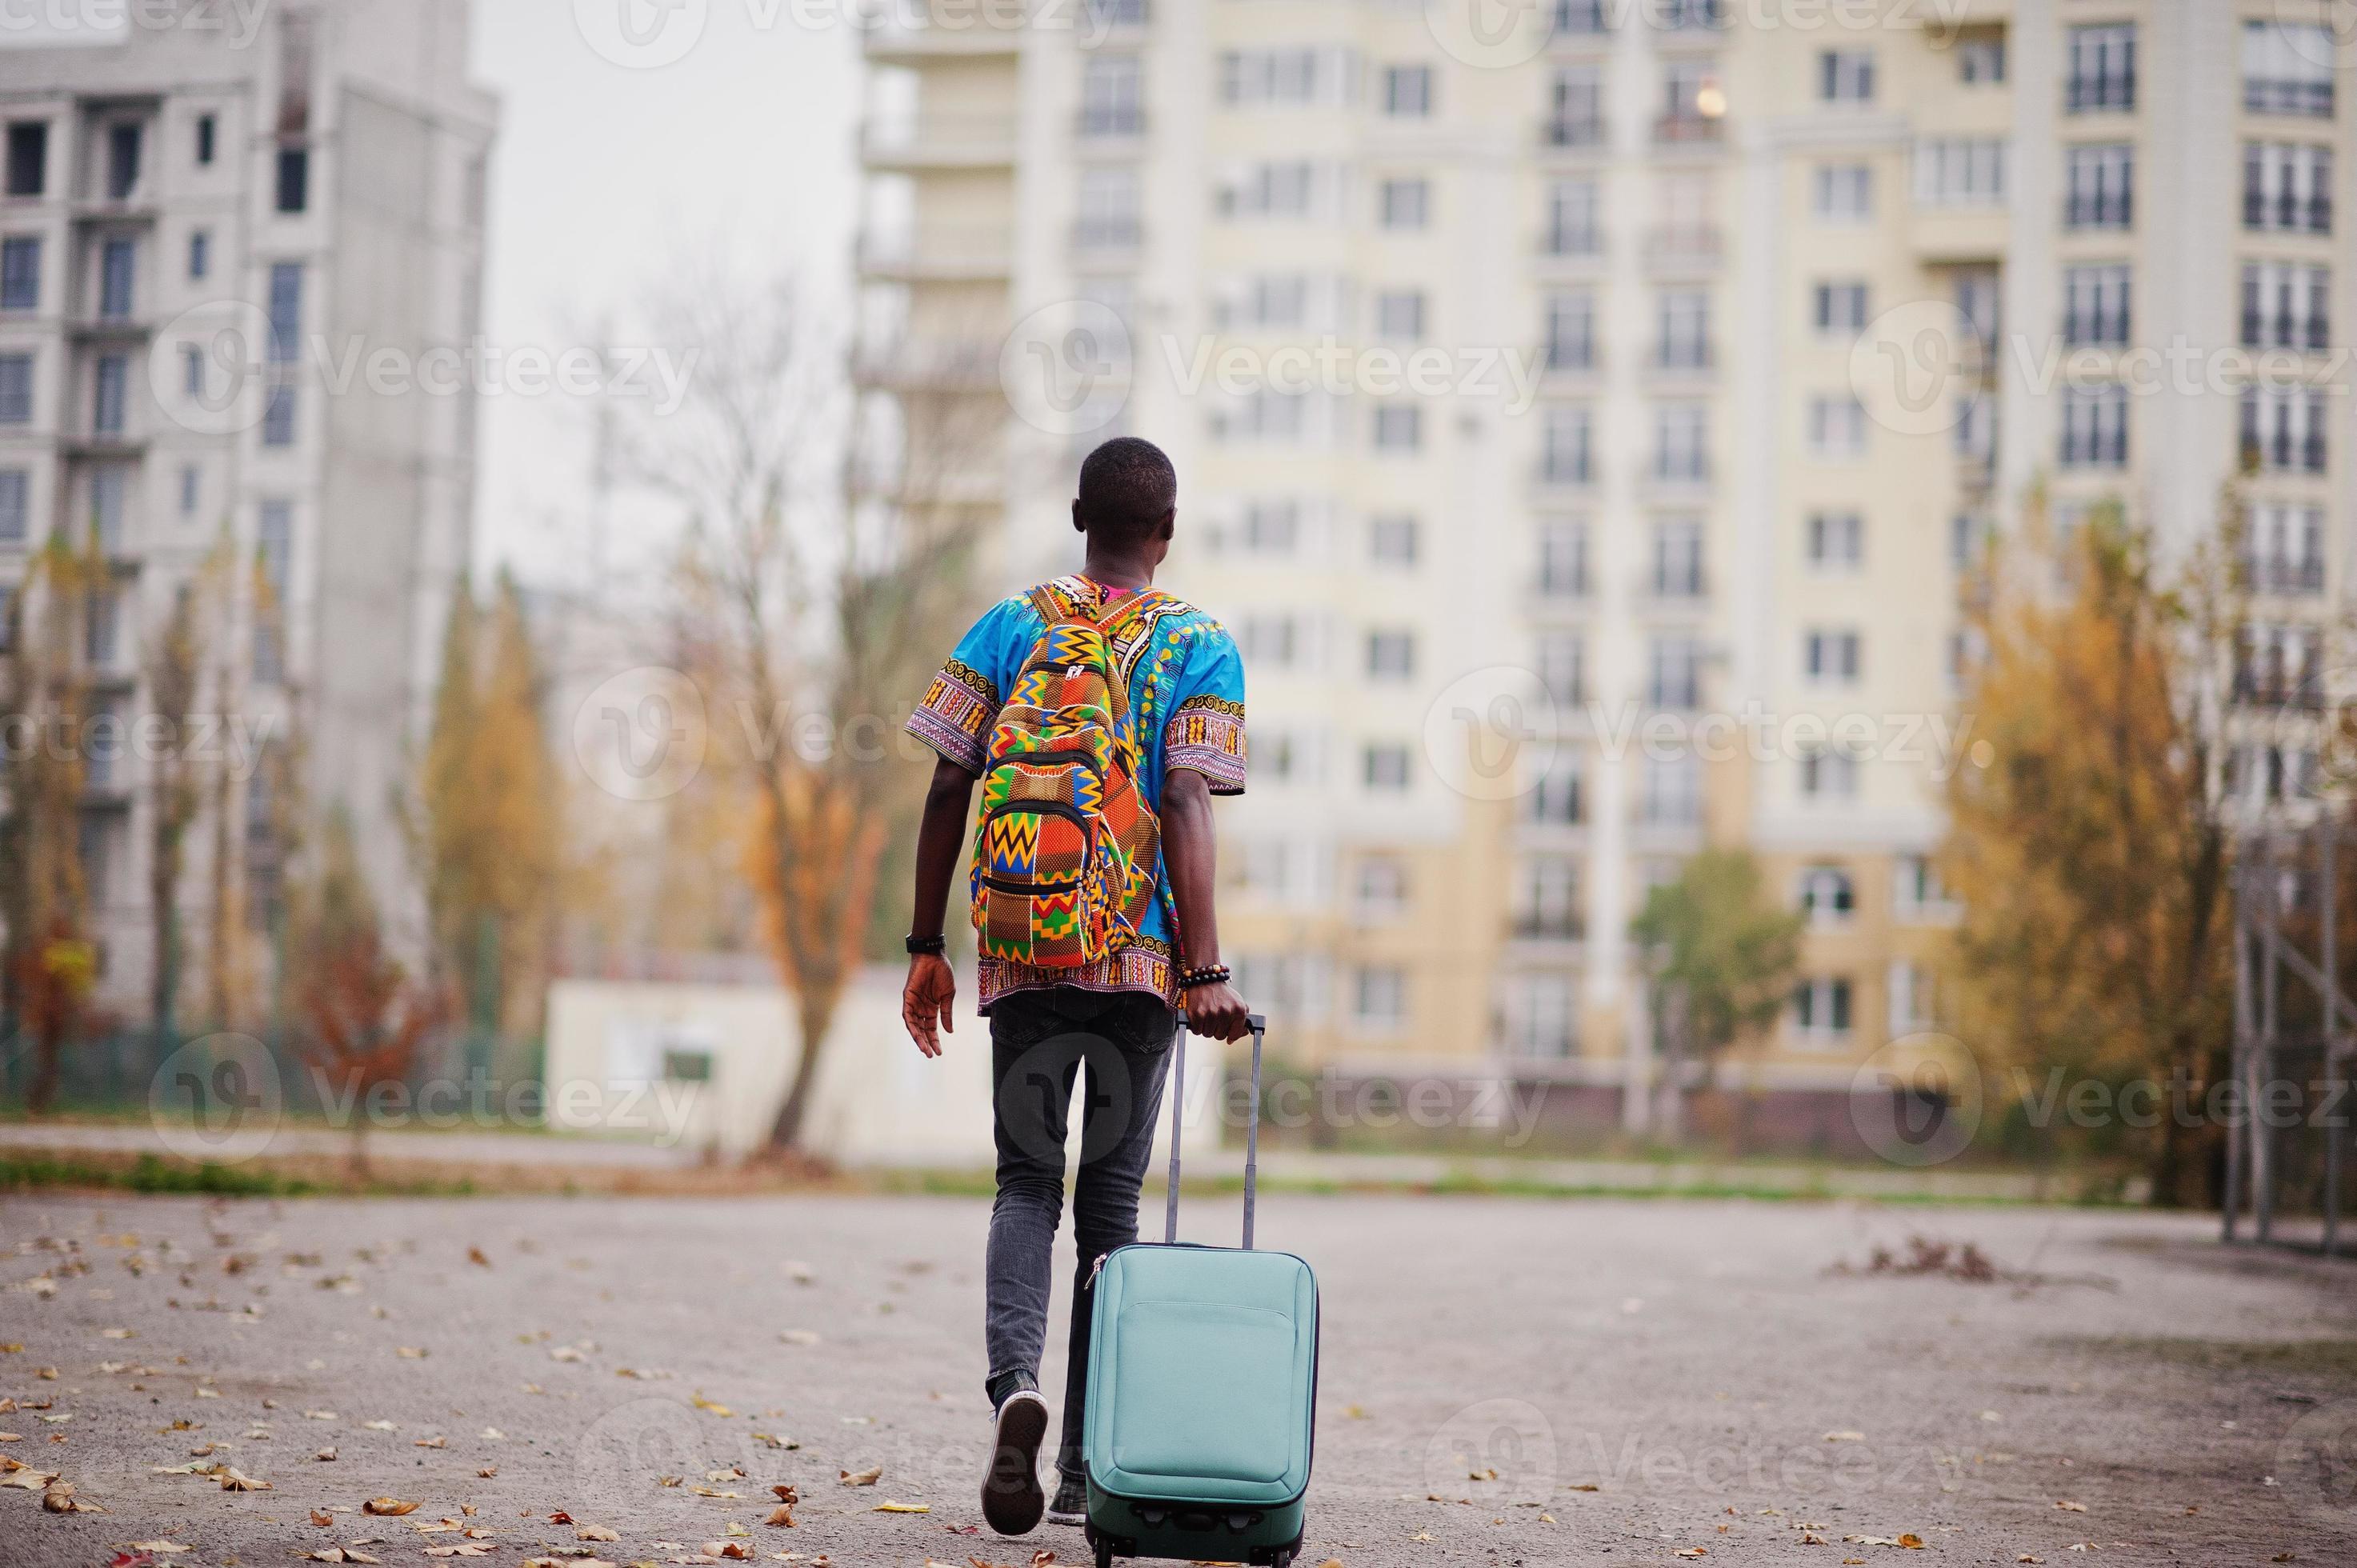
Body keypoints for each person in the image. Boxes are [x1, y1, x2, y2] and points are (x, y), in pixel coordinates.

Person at [898, 436, 1253, 1536]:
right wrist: (1200, 971)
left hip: (1024, 954)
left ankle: (1017, 1392)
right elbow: (1188, 799)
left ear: (1075, 515)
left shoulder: (1011, 625)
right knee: (1108, 1207)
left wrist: (924, 944)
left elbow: (951, 776)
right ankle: (1082, 1472)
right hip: (1142, 968)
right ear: (1167, 529)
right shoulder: (1201, 643)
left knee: (1022, 1185)